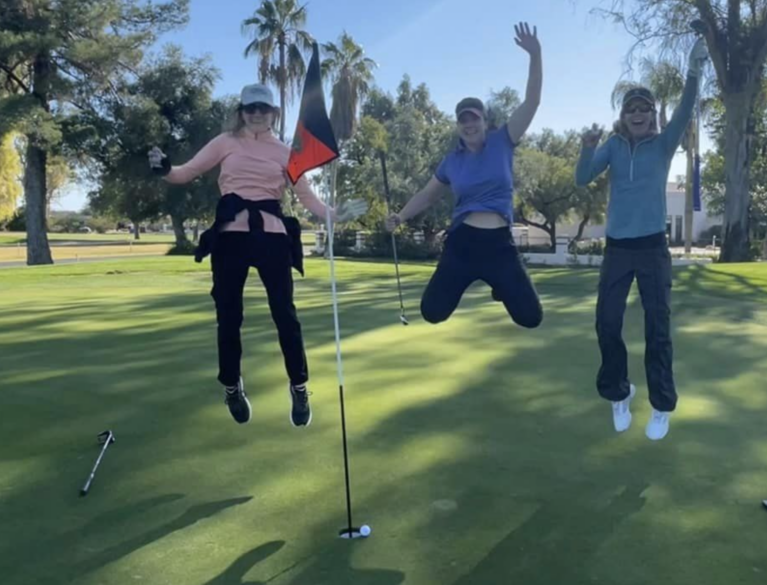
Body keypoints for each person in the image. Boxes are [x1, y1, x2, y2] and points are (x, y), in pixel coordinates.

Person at [149, 83, 365, 428]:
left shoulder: (285, 151)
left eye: (263, 109)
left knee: (285, 316)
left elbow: (307, 198)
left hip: (272, 236)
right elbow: (185, 172)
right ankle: (232, 387)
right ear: (241, 111)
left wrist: (335, 213)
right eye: (251, 108)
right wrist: (164, 169)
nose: (257, 114)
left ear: (273, 113)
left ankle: (299, 386)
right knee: (229, 315)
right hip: (231, 236)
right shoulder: (224, 142)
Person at [575, 35, 709, 441]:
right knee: (607, 323)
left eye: (643, 109)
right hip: (617, 249)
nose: (637, 114)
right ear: (623, 115)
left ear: (652, 115)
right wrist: (586, 149)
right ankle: (619, 393)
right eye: (630, 109)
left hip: (652, 247)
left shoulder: (663, 144)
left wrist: (694, 67)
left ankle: (661, 406)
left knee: (658, 328)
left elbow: (686, 107)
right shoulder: (614, 147)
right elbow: (583, 179)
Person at [385, 23, 543, 328]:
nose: (469, 125)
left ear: (485, 121)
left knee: (531, 318)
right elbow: (428, 195)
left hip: (499, 244)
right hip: (462, 244)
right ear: (458, 125)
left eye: (474, 119)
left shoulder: (503, 140)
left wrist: (535, 54)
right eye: (463, 120)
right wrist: (400, 217)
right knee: (432, 312)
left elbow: (532, 101)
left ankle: (500, 284)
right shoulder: (452, 161)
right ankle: (487, 279)